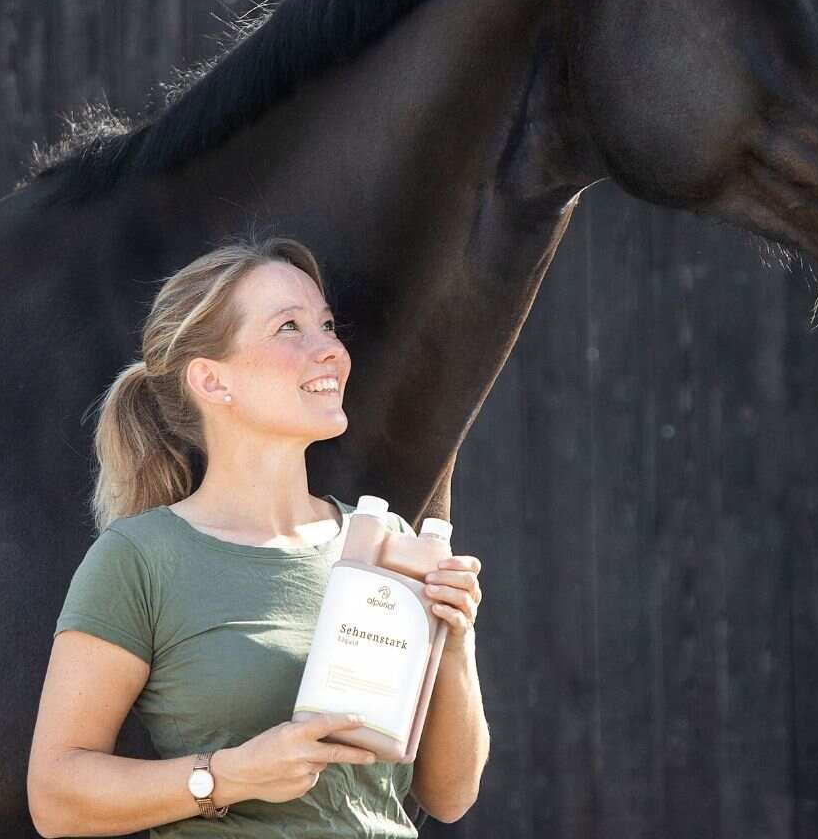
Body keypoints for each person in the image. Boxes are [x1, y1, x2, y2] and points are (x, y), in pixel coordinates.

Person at [27, 235, 487, 837]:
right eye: (289, 328)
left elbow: (449, 796)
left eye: (327, 324)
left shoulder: (388, 545)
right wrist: (231, 776)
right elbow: (56, 798)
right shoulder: (138, 560)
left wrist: (453, 642)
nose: (332, 351)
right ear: (213, 382)